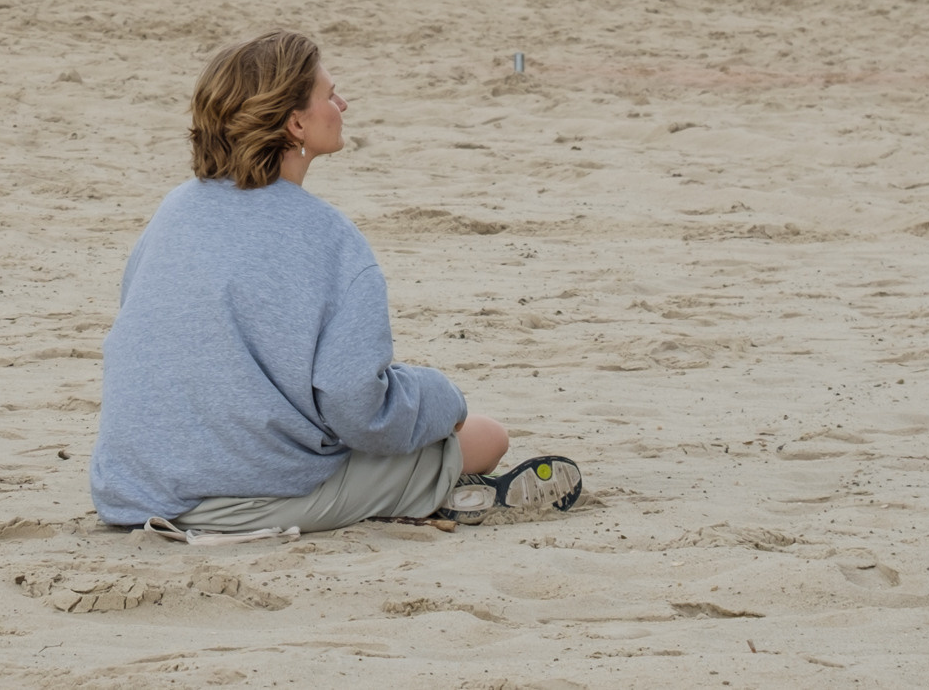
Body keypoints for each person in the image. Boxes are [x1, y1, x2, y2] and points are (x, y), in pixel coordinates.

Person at [88, 31, 579, 534]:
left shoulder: (173, 210)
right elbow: (357, 409)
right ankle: (425, 493)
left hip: (132, 485)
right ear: (295, 122)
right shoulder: (328, 236)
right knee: (485, 437)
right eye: (329, 94)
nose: (342, 104)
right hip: (241, 495)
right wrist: (444, 398)